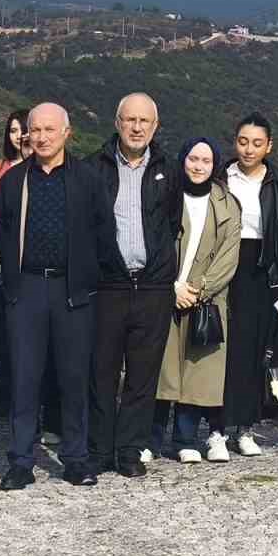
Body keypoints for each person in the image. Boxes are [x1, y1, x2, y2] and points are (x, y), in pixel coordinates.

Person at [0, 103, 106, 490]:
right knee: (25, 377)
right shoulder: (14, 180)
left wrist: (91, 277)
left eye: (48, 130)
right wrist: (13, 275)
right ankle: (21, 460)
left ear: (66, 133)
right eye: (34, 130)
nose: (40, 137)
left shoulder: (87, 178)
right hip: (28, 288)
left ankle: (75, 458)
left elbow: (103, 231)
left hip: (72, 290)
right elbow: (1, 228)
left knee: (74, 377)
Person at [88, 93, 181, 478]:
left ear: (155, 126)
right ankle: (98, 450)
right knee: (101, 373)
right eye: (130, 120)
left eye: (145, 121)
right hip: (108, 285)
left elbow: (173, 221)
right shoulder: (93, 167)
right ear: (117, 122)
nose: (137, 127)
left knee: (143, 377)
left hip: (153, 287)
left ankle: (129, 450)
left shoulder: (168, 169)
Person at [222, 113, 278, 455]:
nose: (249, 149)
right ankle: (216, 428)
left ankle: (245, 428)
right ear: (234, 142)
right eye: (243, 141)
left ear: (269, 146)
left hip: (263, 273)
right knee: (225, 352)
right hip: (225, 268)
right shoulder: (220, 177)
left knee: (256, 352)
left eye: (257, 143)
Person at [154, 138, 242, 463]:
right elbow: (154, 243)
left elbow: (228, 257)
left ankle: (185, 439)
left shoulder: (228, 204)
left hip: (206, 299)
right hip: (165, 293)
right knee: (160, 369)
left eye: (206, 160)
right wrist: (172, 287)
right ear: (183, 159)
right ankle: (149, 438)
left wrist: (198, 289)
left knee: (197, 369)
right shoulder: (165, 196)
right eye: (193, 158)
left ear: (214, 164)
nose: (198, 165)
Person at [0, 110, 28, 415]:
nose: (18, 136)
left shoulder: (39, 167)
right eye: (13, 130)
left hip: (29, 261)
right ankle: (4, 396)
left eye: (23, 129)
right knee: (3, 328)